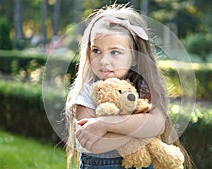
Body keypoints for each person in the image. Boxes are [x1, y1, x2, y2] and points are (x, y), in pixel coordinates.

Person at [65, 4, 192, 169]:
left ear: (134, 57)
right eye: (96, 50)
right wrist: (141, 130)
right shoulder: (89, 91)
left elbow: (157, 125)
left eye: (115, 52)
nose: (104, 61)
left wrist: (104, 124)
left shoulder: (143, 87)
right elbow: (92, 144)